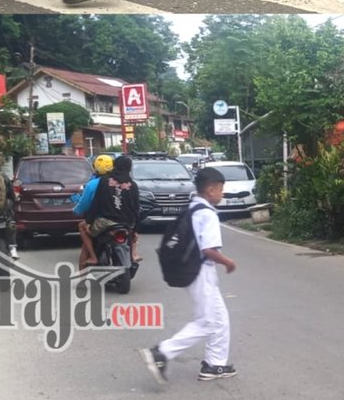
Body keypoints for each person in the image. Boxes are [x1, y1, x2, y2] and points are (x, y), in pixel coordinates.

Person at [140, 166, 238, 384]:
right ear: (211, 190)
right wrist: (228, 262)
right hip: (200, 272)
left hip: (192, 270)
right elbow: (209, 250)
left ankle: (216, 364)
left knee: (219, 318)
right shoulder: (207, 214)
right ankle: (161, 353)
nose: (222, 194)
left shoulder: (192, 207)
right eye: (221, 189)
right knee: (207, 321)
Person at [87, 154, 140, 263]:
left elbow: (96, 203)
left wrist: (89, 221)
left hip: (105, 223)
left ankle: (93, 257)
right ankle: (133, 254)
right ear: (129, 169)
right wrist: (135, 230)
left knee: (84, 228)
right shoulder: (133, 185)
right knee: (133, 237)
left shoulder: (104, 181)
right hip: (126, 224)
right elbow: (136, 209)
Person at [74, 154, 115, 269]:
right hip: (120, 219)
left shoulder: (92, 184)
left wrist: (76, 211)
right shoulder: (119, 182)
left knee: (85, 245)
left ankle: (83, 276)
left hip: (100, 220)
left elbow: (84, 205)